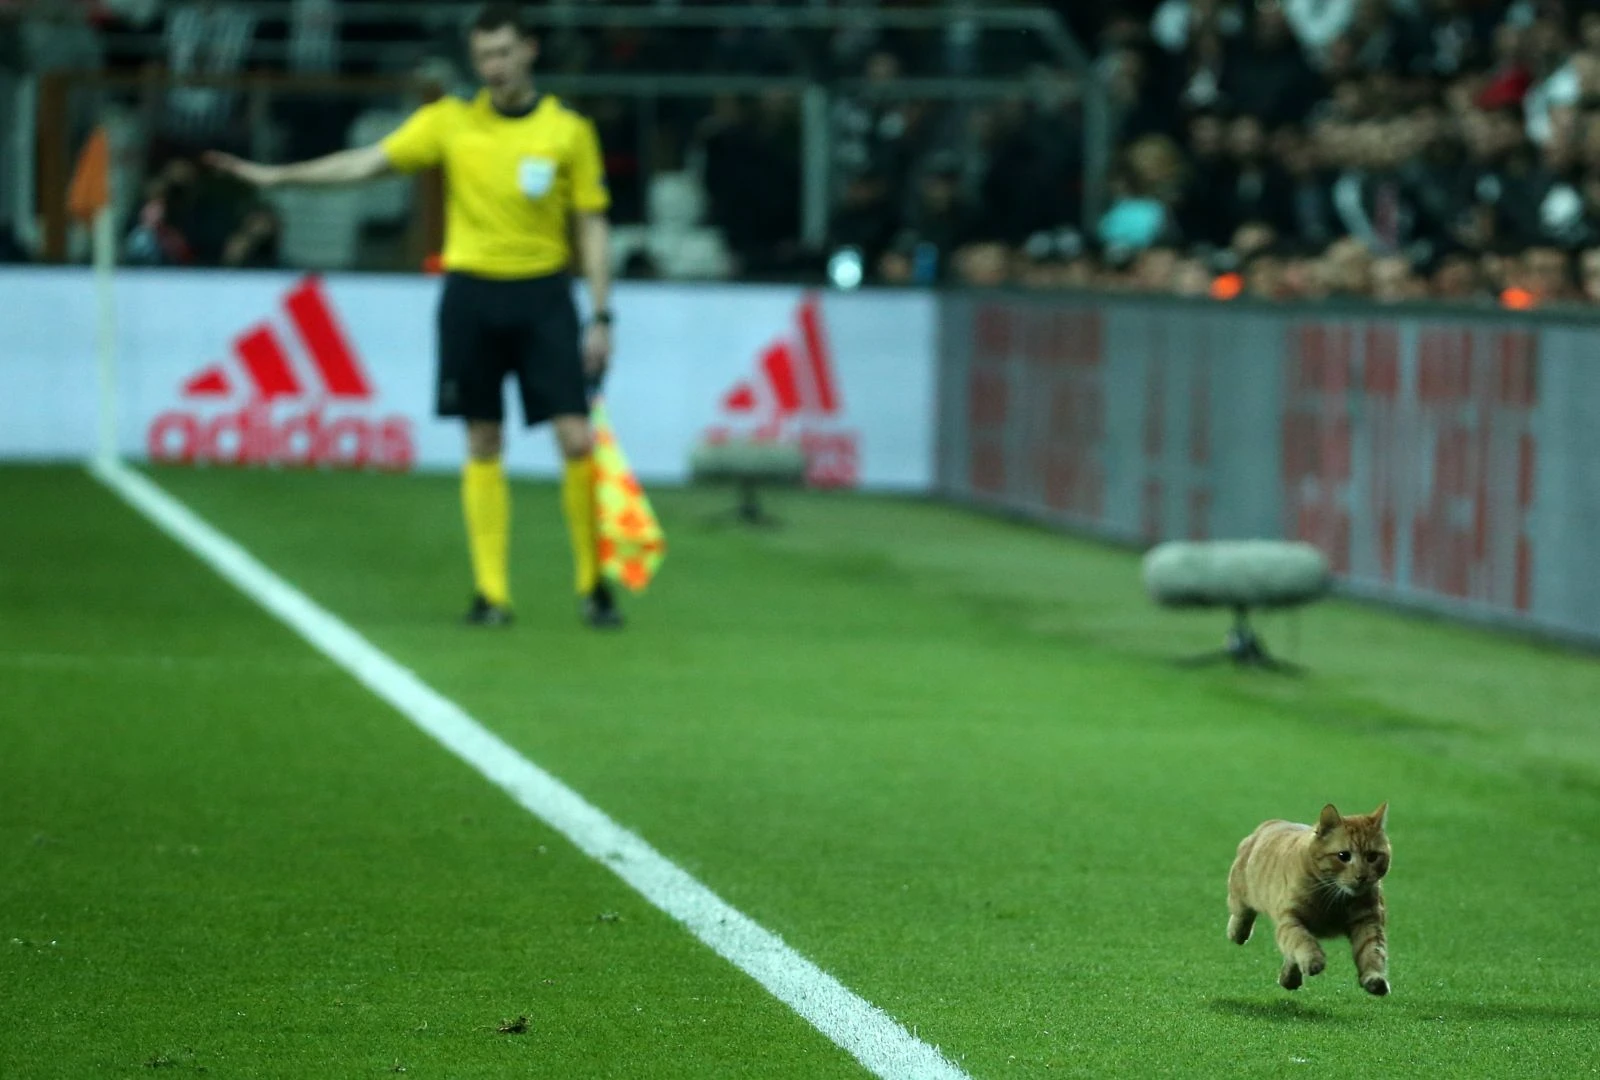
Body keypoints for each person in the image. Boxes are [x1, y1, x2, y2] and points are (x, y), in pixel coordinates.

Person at [206, 3, 622, 630]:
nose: (494, 66)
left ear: (530, 50)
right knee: (483, 438)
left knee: (576, 437)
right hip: (472, 295)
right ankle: (492, 595)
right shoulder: (451, 123)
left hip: (544, 295)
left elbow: (591, 224)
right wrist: (279, 177)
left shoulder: (568, 132)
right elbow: (366, 162)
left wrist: (601, 314)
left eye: (505, 52)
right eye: (484, 56)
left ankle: (594, 587)